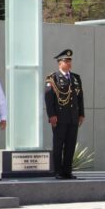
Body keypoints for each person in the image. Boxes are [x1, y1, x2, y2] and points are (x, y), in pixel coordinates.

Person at [45, 49, 84, 180]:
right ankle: (58, 172)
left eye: (70, 61)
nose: (69, 63)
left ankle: (67, 171)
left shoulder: (76, 78)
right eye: (66, 61)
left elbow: (80, 97)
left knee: (70, 145)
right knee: (58, 144)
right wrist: (51, 115)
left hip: (73, 117)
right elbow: (49, 98)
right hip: (59, 118)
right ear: (59, 63)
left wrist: (81, 114)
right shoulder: (52, 78)